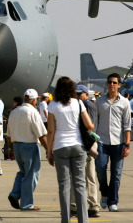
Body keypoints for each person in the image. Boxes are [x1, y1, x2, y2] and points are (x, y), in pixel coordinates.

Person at [47, 78, 93, 223]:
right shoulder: (78, 103)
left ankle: (65, 219)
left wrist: (49, 151)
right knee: (80, 184)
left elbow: (50, 131)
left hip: (60, 147)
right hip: (78, 146)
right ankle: (83, 220)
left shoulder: (53, 105)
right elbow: (90, 125)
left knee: (64, 186)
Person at [6, 88, 48, 212]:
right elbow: (41, 134)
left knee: (23, 172)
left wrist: (10, 148)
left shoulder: (14, 112)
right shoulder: (32, 112)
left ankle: (15, 194)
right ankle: (26, 204)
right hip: (29, 146)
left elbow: (8, 134)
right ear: (34, 100)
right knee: (31, 175)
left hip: (17, 146)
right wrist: (48, 150)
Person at [95, 73, 131, 212]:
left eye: (114, 82)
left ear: (119, 85)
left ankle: (113, 201)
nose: (112, 85)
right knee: (101, 170)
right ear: (106, 84)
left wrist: (127, 145)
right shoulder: (99, 101)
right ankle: (104, 193)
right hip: (102, 141)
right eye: (109, 82)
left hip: (118, 142)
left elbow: (127, 125)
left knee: (116, 173)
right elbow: (95, 122)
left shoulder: (124, 102)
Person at [70, 84, 101, 218]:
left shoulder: (88, 106)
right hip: (81, 143)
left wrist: (87, 147)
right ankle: (74, 205)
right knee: (77, 175)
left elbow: (90, 127)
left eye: (80, 94)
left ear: (86, 95)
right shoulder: (77, 106)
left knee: (89, 176)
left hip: (88, 143)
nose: (77, 96)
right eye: (75, 94)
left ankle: (93, 205)